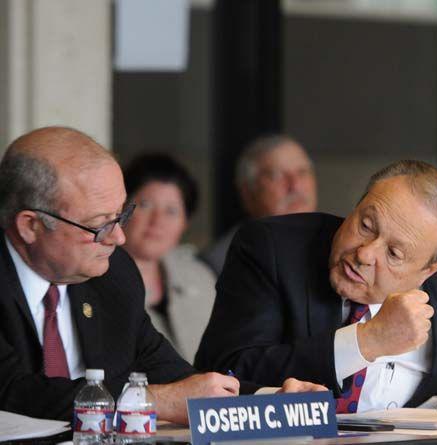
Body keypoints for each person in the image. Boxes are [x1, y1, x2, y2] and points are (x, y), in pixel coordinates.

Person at [0, 126, 324, 423]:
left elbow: (173, 377)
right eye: (99, 225)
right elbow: (13, 394)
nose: (118, 238)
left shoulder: (113, 274)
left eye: (121, 216)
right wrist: (152, 401)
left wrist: (271, 401)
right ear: (30, 225)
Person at [195, 160, 437, 413]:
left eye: (393, 254)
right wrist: (366, 341)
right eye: (365, 225)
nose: (364, 254)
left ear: (429, 270)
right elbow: (225, 374)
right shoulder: (274, 249)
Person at [122, 154, 215, 363]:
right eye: (145, 205)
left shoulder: (200, 278)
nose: (157, 220)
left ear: (185, 223)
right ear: (122, 209)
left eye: (171, 211)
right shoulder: (93, 279)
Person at [201, 134, 317, 274]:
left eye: (302, 172)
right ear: (247, 192)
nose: (295, 186)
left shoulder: (340, 247)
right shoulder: (220, 264)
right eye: (277, 176)